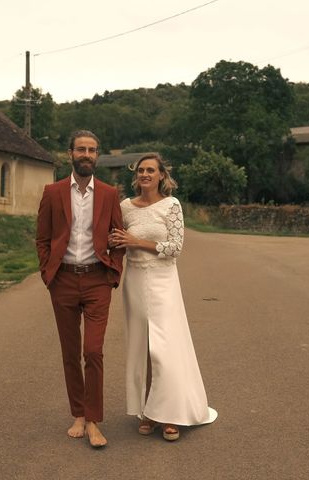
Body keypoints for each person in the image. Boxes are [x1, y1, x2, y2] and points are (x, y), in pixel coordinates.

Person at [109, 153, 217, 441]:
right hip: (134, 280)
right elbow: (116, 238)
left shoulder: (172, 205)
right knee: (142, 346)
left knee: (165, 346)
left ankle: (171, 415)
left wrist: (137, 242)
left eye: (151, 170)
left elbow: (175, 248)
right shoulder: (125, 207)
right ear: (136, 175)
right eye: (141, 170)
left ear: (161, 176)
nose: (145, 174)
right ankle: (148, 412)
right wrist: (116, 242)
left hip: (163, 280)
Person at [35, 130, 125, 448]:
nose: (87, 154)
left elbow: (118, 236)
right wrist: (49, 274)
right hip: (64, 281)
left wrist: (114, 272)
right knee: (71, 353)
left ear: (97, 155)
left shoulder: (110, 193)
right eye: (81, 149)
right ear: (70, 153)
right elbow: (43, 238)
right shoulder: (53, 191)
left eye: (92, 150)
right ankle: (78, 413)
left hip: (98, 280)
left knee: (93, 352)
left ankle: (94, 420)